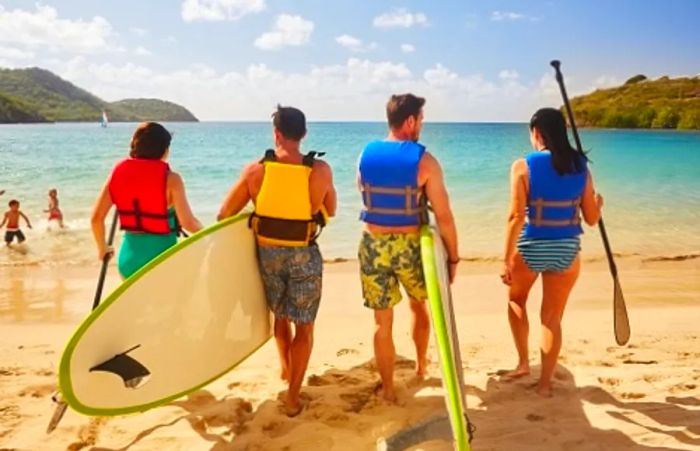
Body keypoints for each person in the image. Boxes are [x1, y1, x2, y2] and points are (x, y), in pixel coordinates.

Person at [218, 105, 336, 417]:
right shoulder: (320, 170)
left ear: (276, 133)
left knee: (280, 317)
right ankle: (293, 396)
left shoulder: (256, 171)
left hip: (268, 255)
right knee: (305, 327)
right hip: (304, 254)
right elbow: (331, 208)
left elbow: (224, 214)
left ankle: (286, 369)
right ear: (305, 134)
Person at [357, 94, 459, 402]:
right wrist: (453, 257)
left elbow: (364, 192)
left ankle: (388, 388)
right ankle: (419, 366)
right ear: (411, 121)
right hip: (410, 246)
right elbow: (444, 216)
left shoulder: (365, 154)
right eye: (422, 120)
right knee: (419, 306)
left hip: (371, 244)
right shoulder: (425, 162)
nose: (422, 127)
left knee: (382, 320)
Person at [501, 107, 604, 397]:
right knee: (551, 317)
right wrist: (599, 202)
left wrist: (506, 258)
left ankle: (523, 363)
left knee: (517, 301)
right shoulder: (581, 166)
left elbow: (516, 217)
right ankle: (545, 385)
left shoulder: (522, 166)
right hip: (567, 250)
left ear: (537, 133)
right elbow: (592, 219)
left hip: (532, 246)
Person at [91, 122, 202, 279]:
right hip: (162, 259)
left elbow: (96, 218)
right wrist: (208, 234)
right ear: (164, 150)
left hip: (128, 261)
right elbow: (188, 223)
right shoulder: (172, 180)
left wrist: (102, 248)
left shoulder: (118, 174)